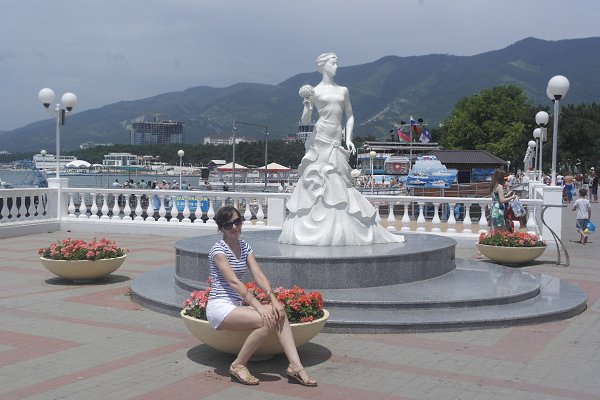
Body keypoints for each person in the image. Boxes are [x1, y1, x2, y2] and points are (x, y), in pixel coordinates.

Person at [278, 52, 403, 246]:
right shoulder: (315, 91)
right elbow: (305, 120)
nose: (336, 67)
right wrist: (308, 104)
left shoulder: (343, 90)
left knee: (337, 178)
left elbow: (349, 115)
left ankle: (340, 226)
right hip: (320, 136)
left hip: (336, 137)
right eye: (333, 63)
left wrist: (348, 138)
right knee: (317, 177)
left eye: (336, 63)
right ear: (323, 66)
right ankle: (316, 225)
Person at [206, 206, 317, 387]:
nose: (234, 227)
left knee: (279, 312)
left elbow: (258, 275)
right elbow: (234, 283)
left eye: (237, 221)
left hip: (235, 306)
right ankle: (238, 365)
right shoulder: (218, 251)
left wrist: (274, 300)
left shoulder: (244, 246)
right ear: (221, 229)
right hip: (220, 307)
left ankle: (296, 366)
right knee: (267, 320)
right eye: (228, 225)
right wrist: (259, 307)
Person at [489, 169, 516, 234]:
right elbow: (502, 200)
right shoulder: (500, 186)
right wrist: (512, 197)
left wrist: (508, 195)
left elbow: (498, 198)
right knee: (499, 231)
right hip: (499, 209)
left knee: (495, 229)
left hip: (494, 208)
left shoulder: (494, 185)